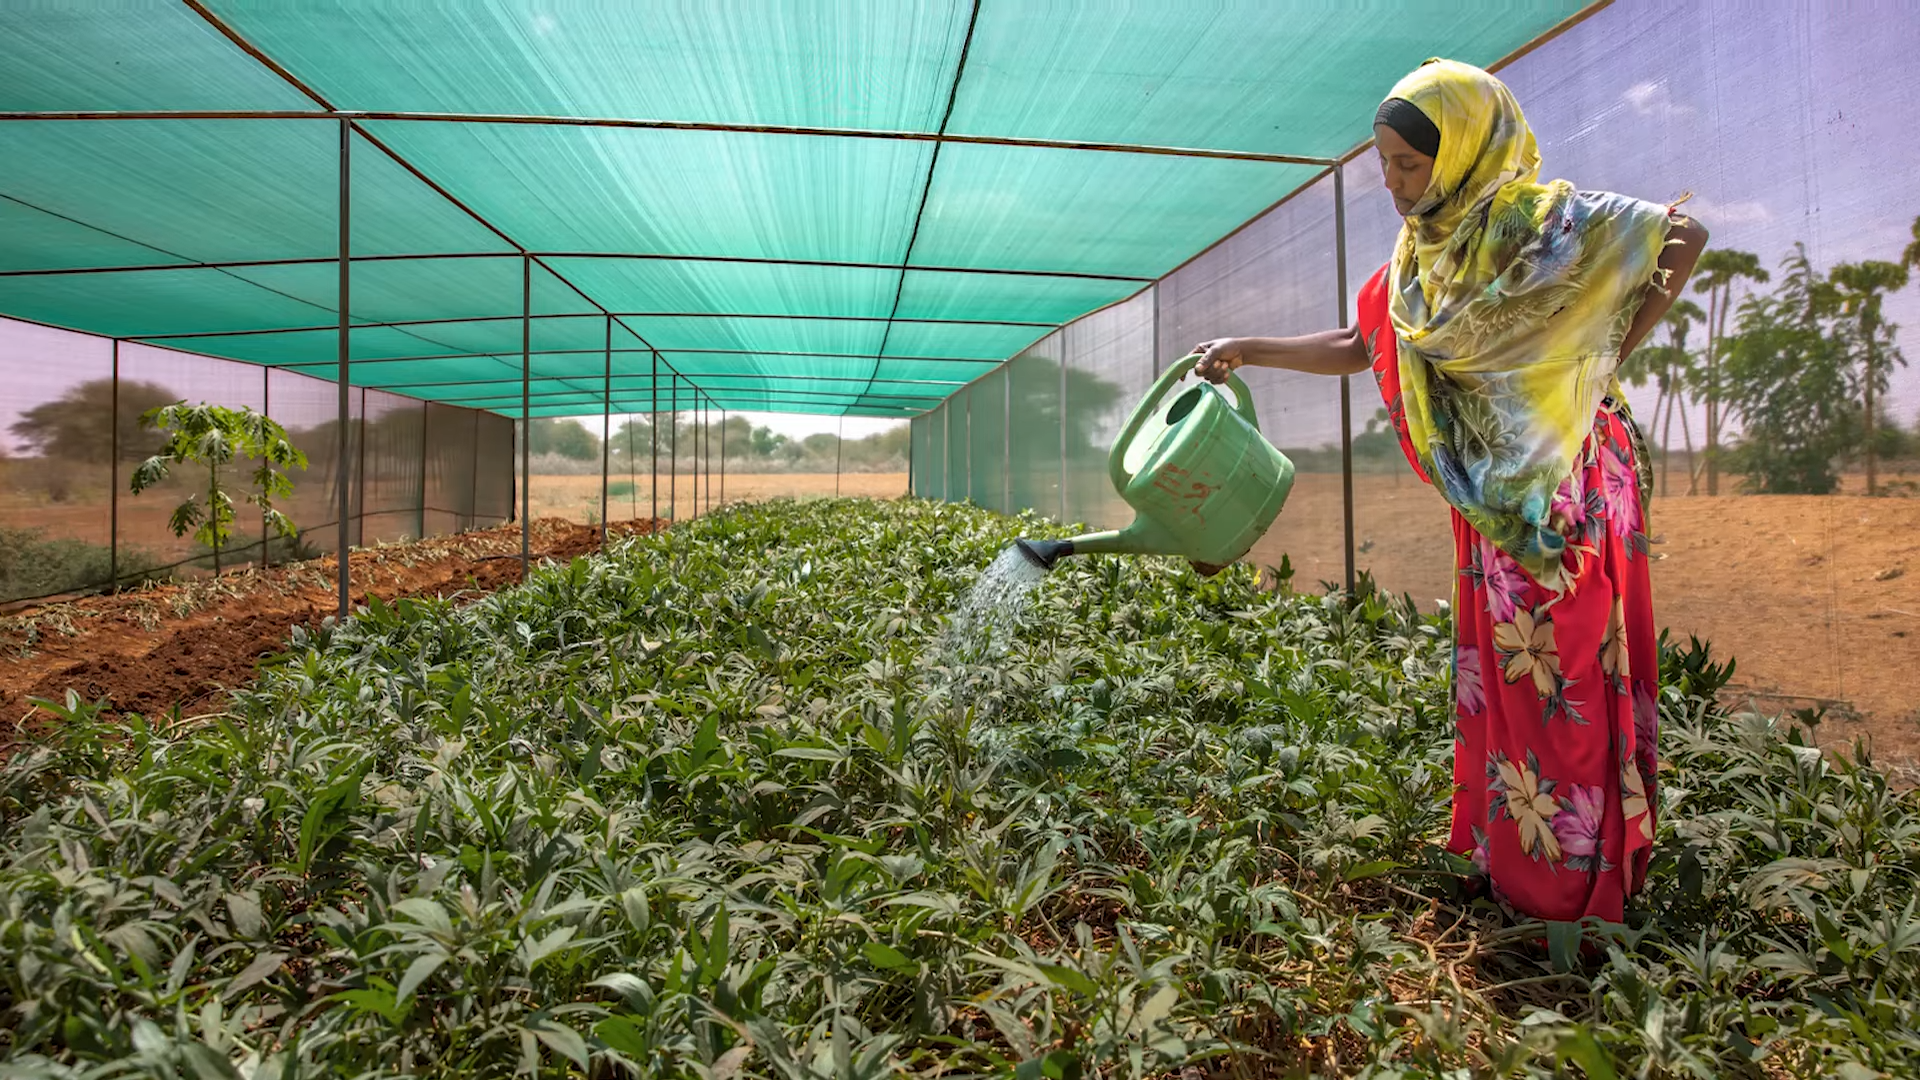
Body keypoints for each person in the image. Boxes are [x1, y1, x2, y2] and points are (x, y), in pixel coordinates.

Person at [1190, 59, 1707, 924]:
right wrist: (1249, 345)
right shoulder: (1416, 258)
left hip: (1564, 489)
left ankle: (1575, 895)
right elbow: (1364, 342)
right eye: (1383, 165)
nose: (1393, 184)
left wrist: (1600, 356)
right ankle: (1513, 867)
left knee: (1567, 681)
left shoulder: (1526, 222)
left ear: (1463, 149)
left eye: (1408, 164)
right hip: (1488, 500)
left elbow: (1680, 239)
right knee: (1506, 682)